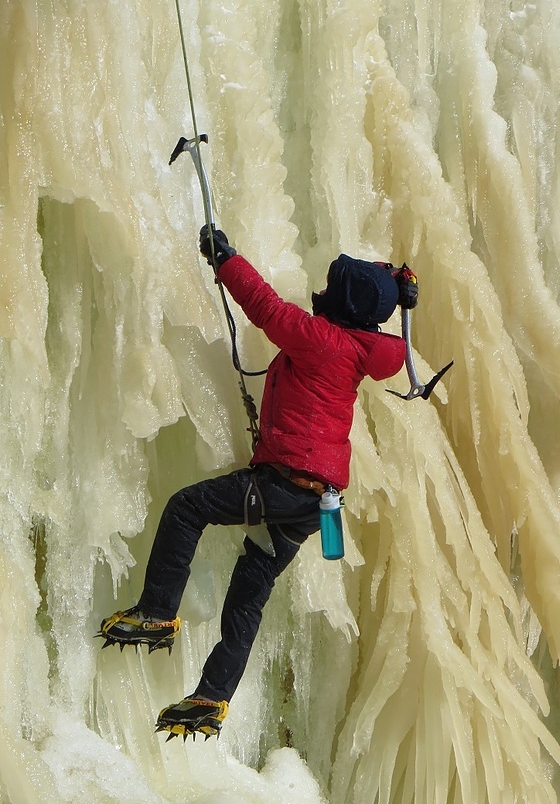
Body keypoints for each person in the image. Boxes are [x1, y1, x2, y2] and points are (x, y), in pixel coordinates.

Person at [99, 227, 418, 739]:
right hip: (318, 507)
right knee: (250, 593)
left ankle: (157, 612)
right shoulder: (370, 350)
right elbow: (392, 330)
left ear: (336, 303)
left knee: (187, 509)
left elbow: (266, 308)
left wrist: (225, 259)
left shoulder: (320, 340)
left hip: (283, 485)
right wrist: (399, 284)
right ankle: (212, 697)